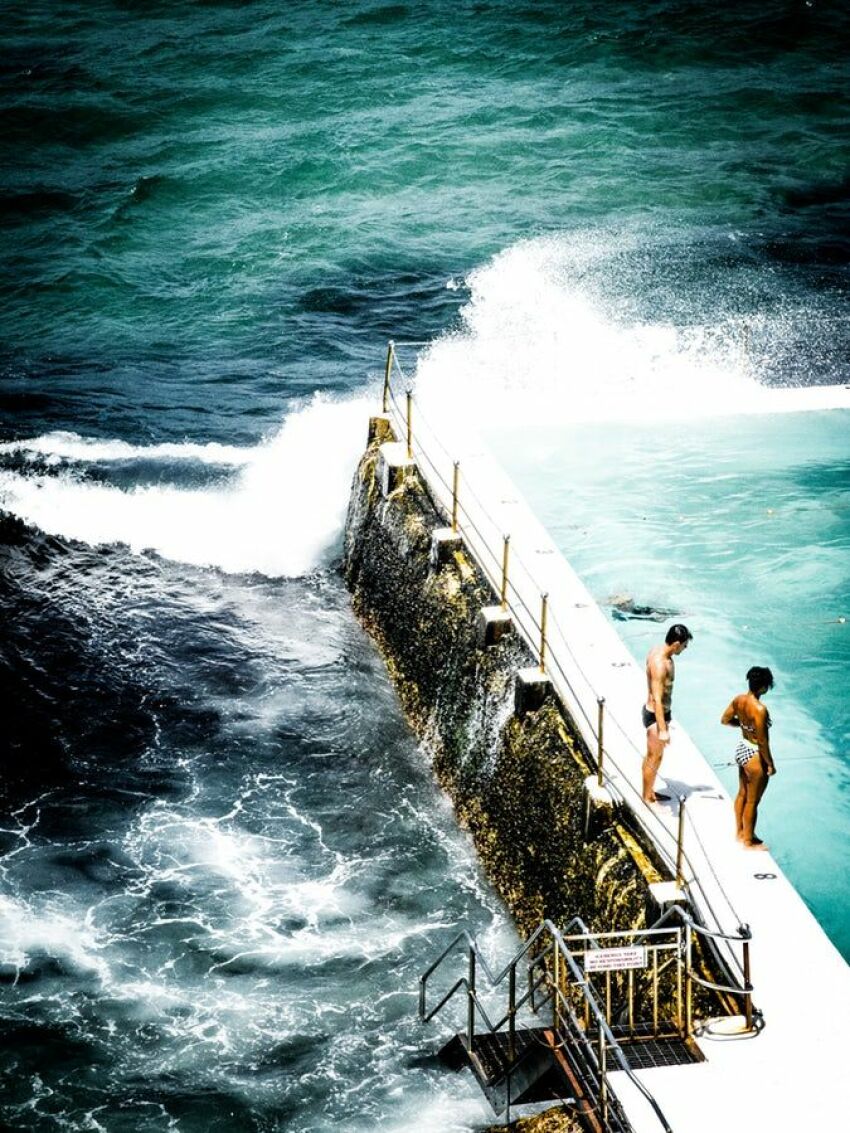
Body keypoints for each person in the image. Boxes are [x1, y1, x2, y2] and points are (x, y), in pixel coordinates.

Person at [721, 667, 776, 850]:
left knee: (742, 794)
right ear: (763, 687)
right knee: (753, 801)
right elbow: (762, 741)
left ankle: (740, 832)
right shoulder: (760, 709)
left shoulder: (739, 700)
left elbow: (725, 720)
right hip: (754, 755)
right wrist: (770, 764)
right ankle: (748, 841)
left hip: (742, 748)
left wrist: (744, 725)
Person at [642, 624, 693, 803]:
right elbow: (656, 698)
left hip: (662, 714)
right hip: (656, 716)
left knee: (657, 756)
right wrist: (663, 729)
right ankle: (647, 796)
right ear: (677, 644)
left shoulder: (659, 651)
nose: (685, 649)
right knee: (653, 756)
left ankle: (649, 791)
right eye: (685, 646)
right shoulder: (660, 664)